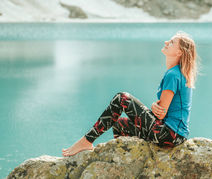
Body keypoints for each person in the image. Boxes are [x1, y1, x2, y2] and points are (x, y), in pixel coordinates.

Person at [62, 31, 198, 156]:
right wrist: (155, 107)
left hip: (169, 135)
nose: (166, 42)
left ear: (179, 52)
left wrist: (155, 107)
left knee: (122, 99)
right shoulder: (177, 73)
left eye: (172, 42)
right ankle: (129, 161)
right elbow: (163, 112)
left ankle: (87, 140)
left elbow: (160, 114)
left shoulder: (173, 75)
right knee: (119, 124)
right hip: (174, 136)